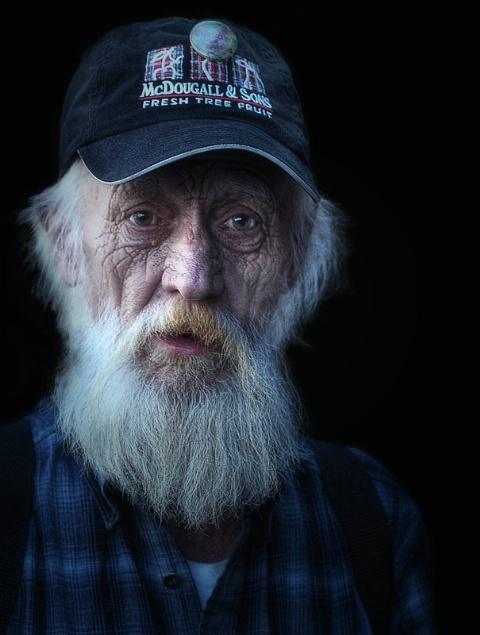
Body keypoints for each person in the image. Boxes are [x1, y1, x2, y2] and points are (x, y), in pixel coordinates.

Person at [2, 16, 435, 634]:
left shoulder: (374, 520)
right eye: (143, 215)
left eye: (242, 223)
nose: (195, 279)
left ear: (296, 258)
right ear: (66, 244)